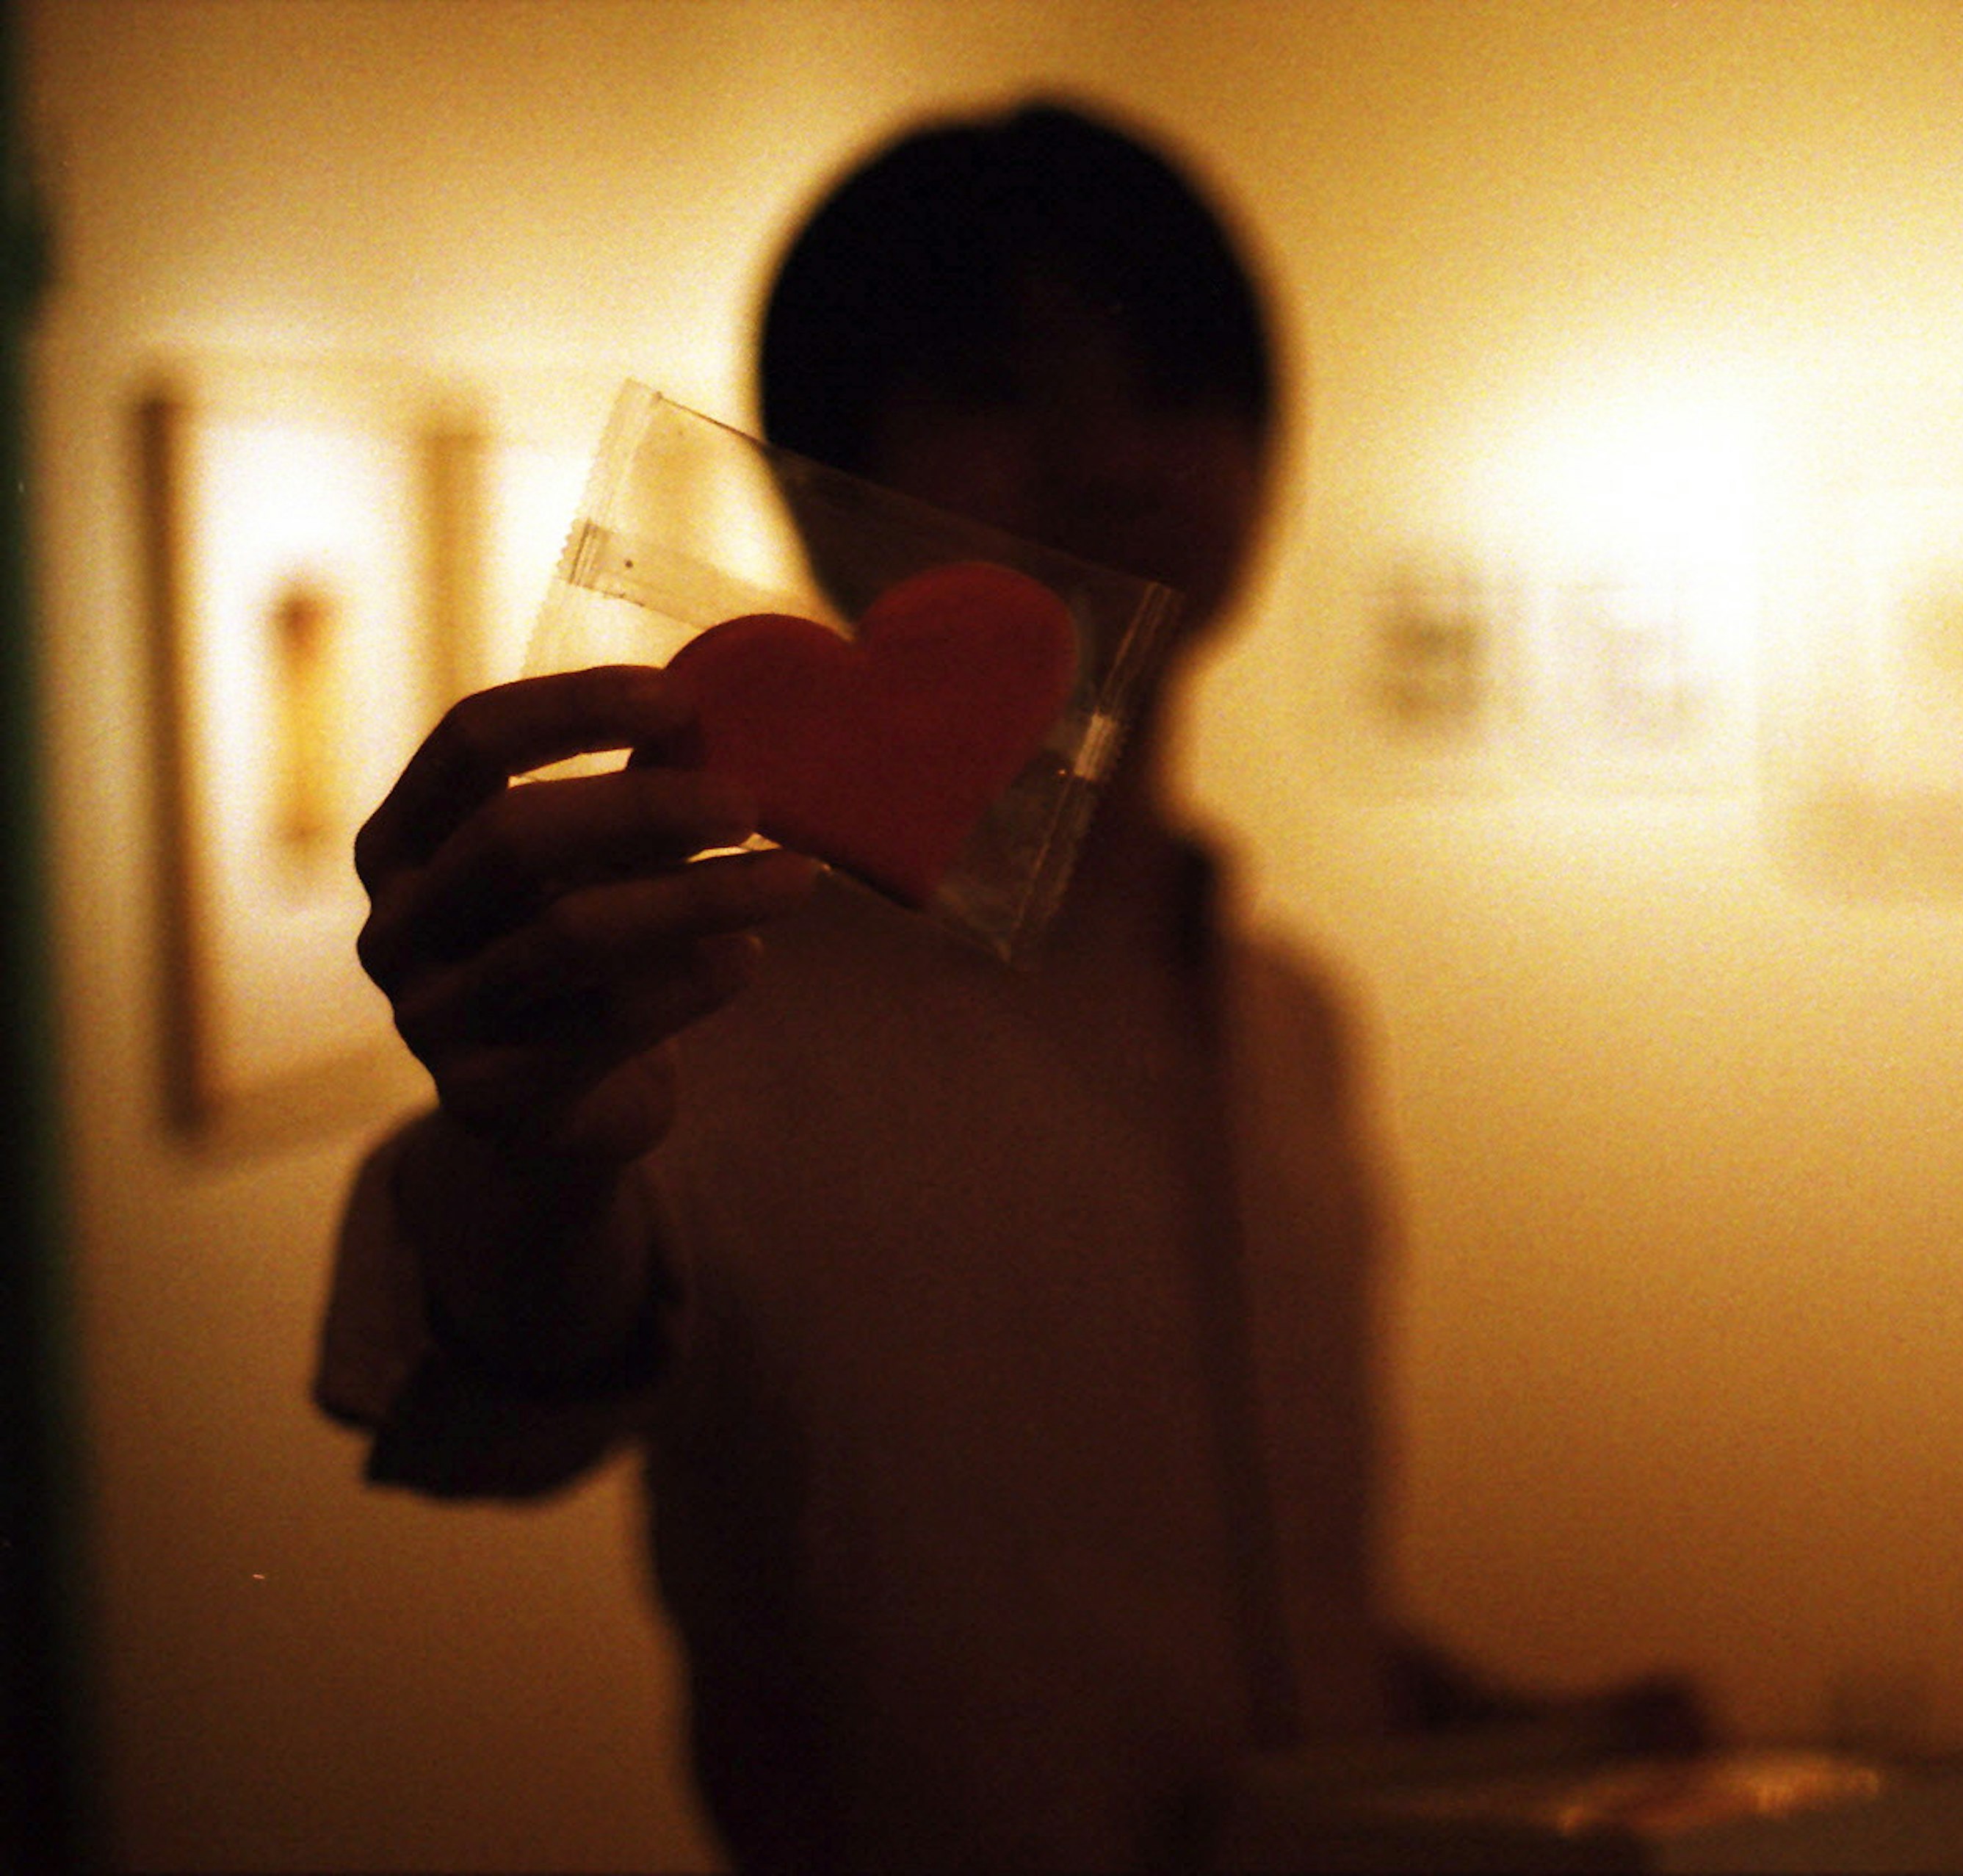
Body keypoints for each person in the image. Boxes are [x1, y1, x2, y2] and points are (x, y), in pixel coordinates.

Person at [318, 101, 1652, 1872]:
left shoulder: (1290, 1018)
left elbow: (1254, 1638)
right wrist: (528, 1150)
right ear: (815, 483)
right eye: (1004, 388)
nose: (1109, 456)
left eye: (1175, 383)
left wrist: (1542, 1744)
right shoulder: (706, 987)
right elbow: (482, 1408)